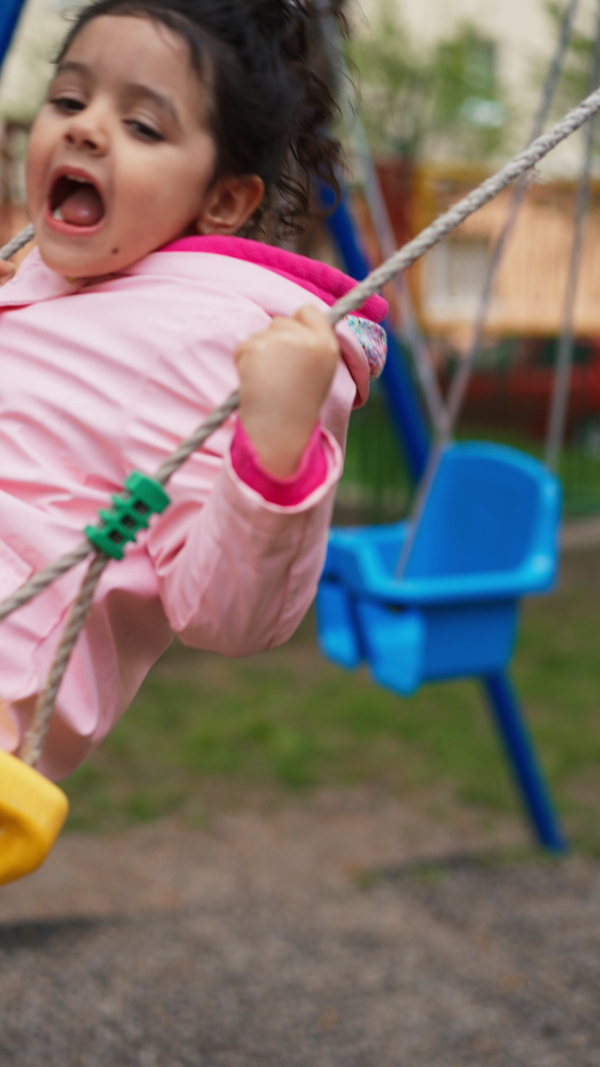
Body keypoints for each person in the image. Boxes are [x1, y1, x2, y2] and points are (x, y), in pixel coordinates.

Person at [0, 0, 386, 782]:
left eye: (143, 126)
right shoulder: (54, 280)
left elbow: (226, 616)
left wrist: (277, 452)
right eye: (69, 99)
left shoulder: (205, 337)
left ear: (225, 201)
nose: (84, 127)